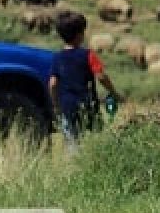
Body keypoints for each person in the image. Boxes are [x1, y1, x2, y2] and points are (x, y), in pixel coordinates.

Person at [48, 11, 120, 149]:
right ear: (80, 34)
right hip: (88, 106)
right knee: (96, 140)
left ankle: (73, 167)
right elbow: (101, 76)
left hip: (67, 107)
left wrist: (56, 105)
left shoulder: (57, 57)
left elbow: (53, 83)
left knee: (72, 143)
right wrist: (113, 92)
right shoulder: (88, 55)